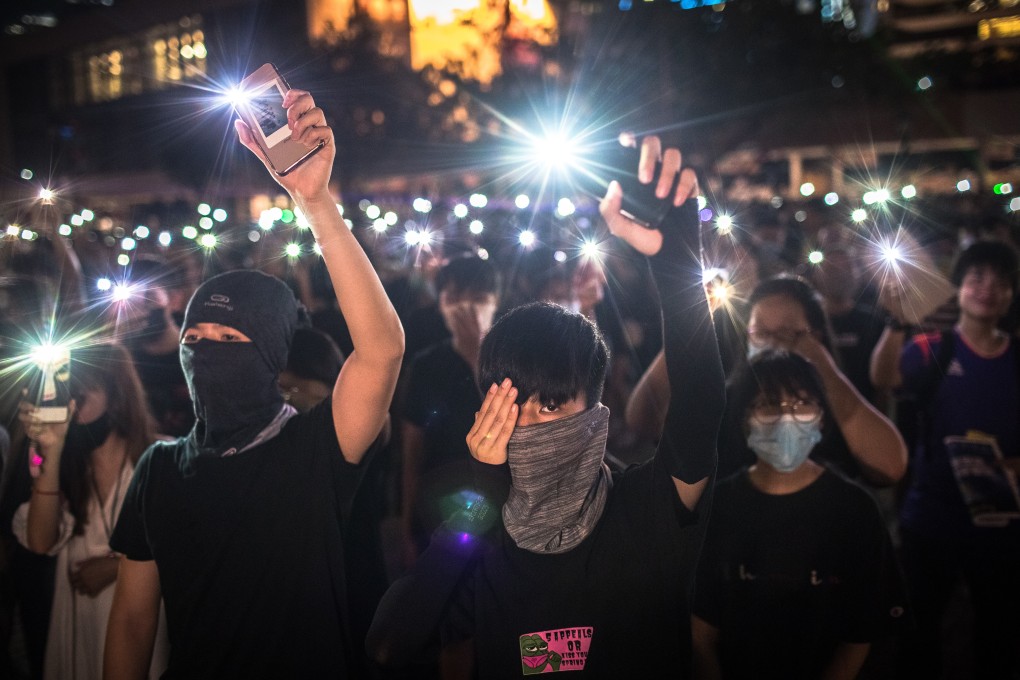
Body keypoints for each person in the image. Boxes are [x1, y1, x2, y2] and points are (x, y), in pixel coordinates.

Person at [367, 135, 725, 677]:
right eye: (516, 405)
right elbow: (392, 642)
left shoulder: (645, 508)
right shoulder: (477, 532)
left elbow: (699, 406)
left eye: (553, 405)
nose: (531, 421)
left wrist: (677, 259)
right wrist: (481, 493)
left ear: (594, 413)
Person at [103, 88, 404, 679]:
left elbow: (382, 350)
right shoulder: (159, 470)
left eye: (231, 339)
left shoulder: (317, 448)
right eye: (196, 338)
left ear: (269, 355)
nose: (206, 352)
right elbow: (134, 622)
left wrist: (316, 204)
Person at [691, 350, 904, 680]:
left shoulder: (854, 509)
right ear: (744, 418)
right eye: (769, 405)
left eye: (802, 404)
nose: (786, 419)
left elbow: (862, 631)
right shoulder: (718, 506)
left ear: (821, 416)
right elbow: (700, 632)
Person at [869, 240, 1020, 679]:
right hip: (932, 516)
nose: (987, 289)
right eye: (976, 278)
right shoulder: (936, 347)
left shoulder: (1016, 356)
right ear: (958, 288)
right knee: (920, 627)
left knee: (999, 630)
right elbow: (884, 376)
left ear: (1012, 293)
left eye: (1001, 281)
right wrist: (897, 320)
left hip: (1002, 523)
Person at [627, 275, 907, 485]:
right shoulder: (727, 399)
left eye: (786, 333)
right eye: (761, 333)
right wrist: (687, 330)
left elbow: (890, 465)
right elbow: (643, 420)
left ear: (815, 336)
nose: (772, 344)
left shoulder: (834, 400)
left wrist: (823, 366)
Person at [12, 343, 161, 680]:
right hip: (78, 630)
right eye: (65, 395)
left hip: (141, 626)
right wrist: (51, 450)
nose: (72, 407)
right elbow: (38, 542)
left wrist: (115, 568)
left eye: (82, 392)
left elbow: (187, 544)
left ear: (116, 394)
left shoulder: (159, 461)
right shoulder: (64, 468)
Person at [399, 254, 500, 565]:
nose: (465, 307)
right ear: (439, 302)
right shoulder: (426, 364)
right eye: (454, 297)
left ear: (496, 302)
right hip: (436, 501)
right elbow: (412, 447)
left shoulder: (513, 360)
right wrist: (406, 524)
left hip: (498, 501)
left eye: (478, 297)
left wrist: (476, 359)